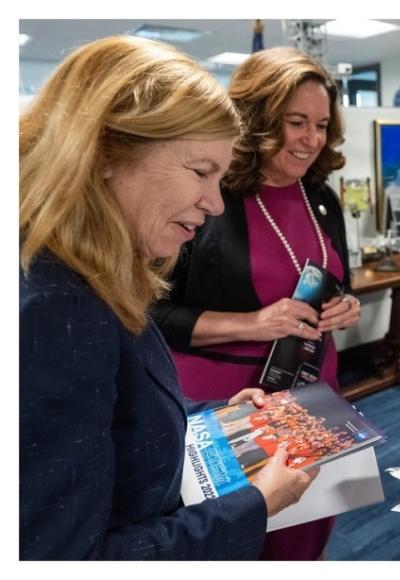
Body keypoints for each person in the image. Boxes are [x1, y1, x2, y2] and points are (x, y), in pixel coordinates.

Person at [19, 36, 316, 560]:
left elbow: (114, 416)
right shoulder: (54, 311)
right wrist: (256, 505)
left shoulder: (94, 274)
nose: (215, 204)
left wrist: (210, 417)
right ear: (107, 151)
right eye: (201, 171)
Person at [151, 46, 360, 561]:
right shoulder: (208, 197)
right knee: (241, 541)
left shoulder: (322, 197)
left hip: (314, 393)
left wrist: (346, 308)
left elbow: (340, 280)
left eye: (320, 124)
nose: (311, 139)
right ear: (259, 118)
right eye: (295, 122)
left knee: (307, 533)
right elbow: (151, 314)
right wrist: (253, 322)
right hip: (229, 398)